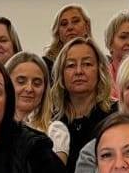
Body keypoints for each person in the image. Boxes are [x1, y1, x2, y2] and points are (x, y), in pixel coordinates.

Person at [46, 37, 115, 166]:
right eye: (71, 65)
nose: (79, 71)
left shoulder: (116, 114)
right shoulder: (50, 120)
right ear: (61, 73)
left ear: (99, 70)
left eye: (87, 64)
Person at [7, 53, 68, 160]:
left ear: (44, 90)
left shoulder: (55, 131)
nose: (29, 89)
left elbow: (55, 171)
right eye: (21, 81)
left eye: (37, 83)